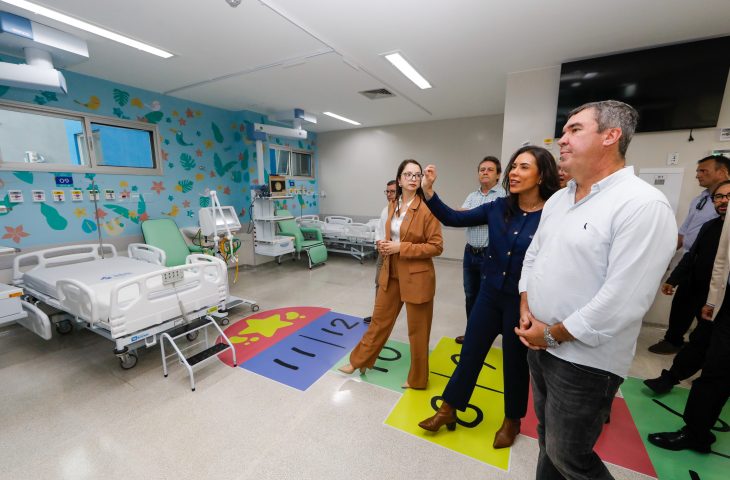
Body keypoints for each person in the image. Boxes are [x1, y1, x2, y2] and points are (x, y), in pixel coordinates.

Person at [514, 100, 676, 479]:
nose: (562, 140)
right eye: (563, 131)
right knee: (547, 438)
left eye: (574, 130)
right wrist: (526, 304)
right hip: (539, 343)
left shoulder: (642, 204)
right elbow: (534, 255)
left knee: (570, 455)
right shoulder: (559, 198)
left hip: (585, 360)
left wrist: (552, 335)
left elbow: (624, 299)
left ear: (611, 136)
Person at [417, 146, 560, 449]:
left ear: (541, 175)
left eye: (523, 167)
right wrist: (429, 191)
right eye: (513, 167)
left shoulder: (554, 213)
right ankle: (448, 409)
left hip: (522, 303)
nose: (514, 173)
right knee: (470, 352)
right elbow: (453, 218)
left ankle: (512, 420)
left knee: (515, 363)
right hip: (489, 295)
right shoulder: (498, 207)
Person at [339, 159, 443, 389]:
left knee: (418, 331)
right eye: (408, 174)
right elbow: (388, 235)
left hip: (417, 277)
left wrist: (400, 247)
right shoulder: (392, 206)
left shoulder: (427, 208)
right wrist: (384, 244)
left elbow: (436, 246)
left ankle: (418, 379)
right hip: (391, 271)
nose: (413, 178)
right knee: (379, 321)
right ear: (399, 180)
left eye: (417, 175)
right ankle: (359, 361)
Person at [648, 193, 730, 453]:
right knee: (700, 346)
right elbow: (715, 263)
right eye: (719, 197)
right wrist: (712, 301)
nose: (723, 201)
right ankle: (672, 381)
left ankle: (697, 434)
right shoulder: (712, 226)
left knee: (717, 369)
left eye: (728, 196)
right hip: (717, 301)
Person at [648, 154, 730, 354]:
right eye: (697, 171)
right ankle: (673, 340)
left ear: (722, 172)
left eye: (703, 171)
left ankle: (704, 351)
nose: (698, 175)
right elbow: (683, 233)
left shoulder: (726, 203)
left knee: (707, 313)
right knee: (681, 303)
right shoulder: (700, 199)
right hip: (690, 260)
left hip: (715, 267)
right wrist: (664, 256)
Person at [456, 156, 505, 344]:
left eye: (490, 169)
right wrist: (470, 215)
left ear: (498, 175)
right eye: (482, 169)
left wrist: (469, 215)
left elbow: (469, 215)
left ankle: (485, 336)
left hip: (490, 255)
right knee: (470, 295)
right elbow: (461, 218)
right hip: (470, 253)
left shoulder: (503, 196)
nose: (485, 172)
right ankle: (472, 334)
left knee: (488, 298)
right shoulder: (472, 196)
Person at [363, 180, 397, 324]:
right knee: (379, 282)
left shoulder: (403, 211)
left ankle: (386, 316)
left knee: (394, 287)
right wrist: (378, 241)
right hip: (383, 253)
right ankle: (377, 315)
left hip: (396, 254)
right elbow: (379, 229)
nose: (389, 194)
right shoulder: (385, 210)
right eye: (387, 191)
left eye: (392, 191)